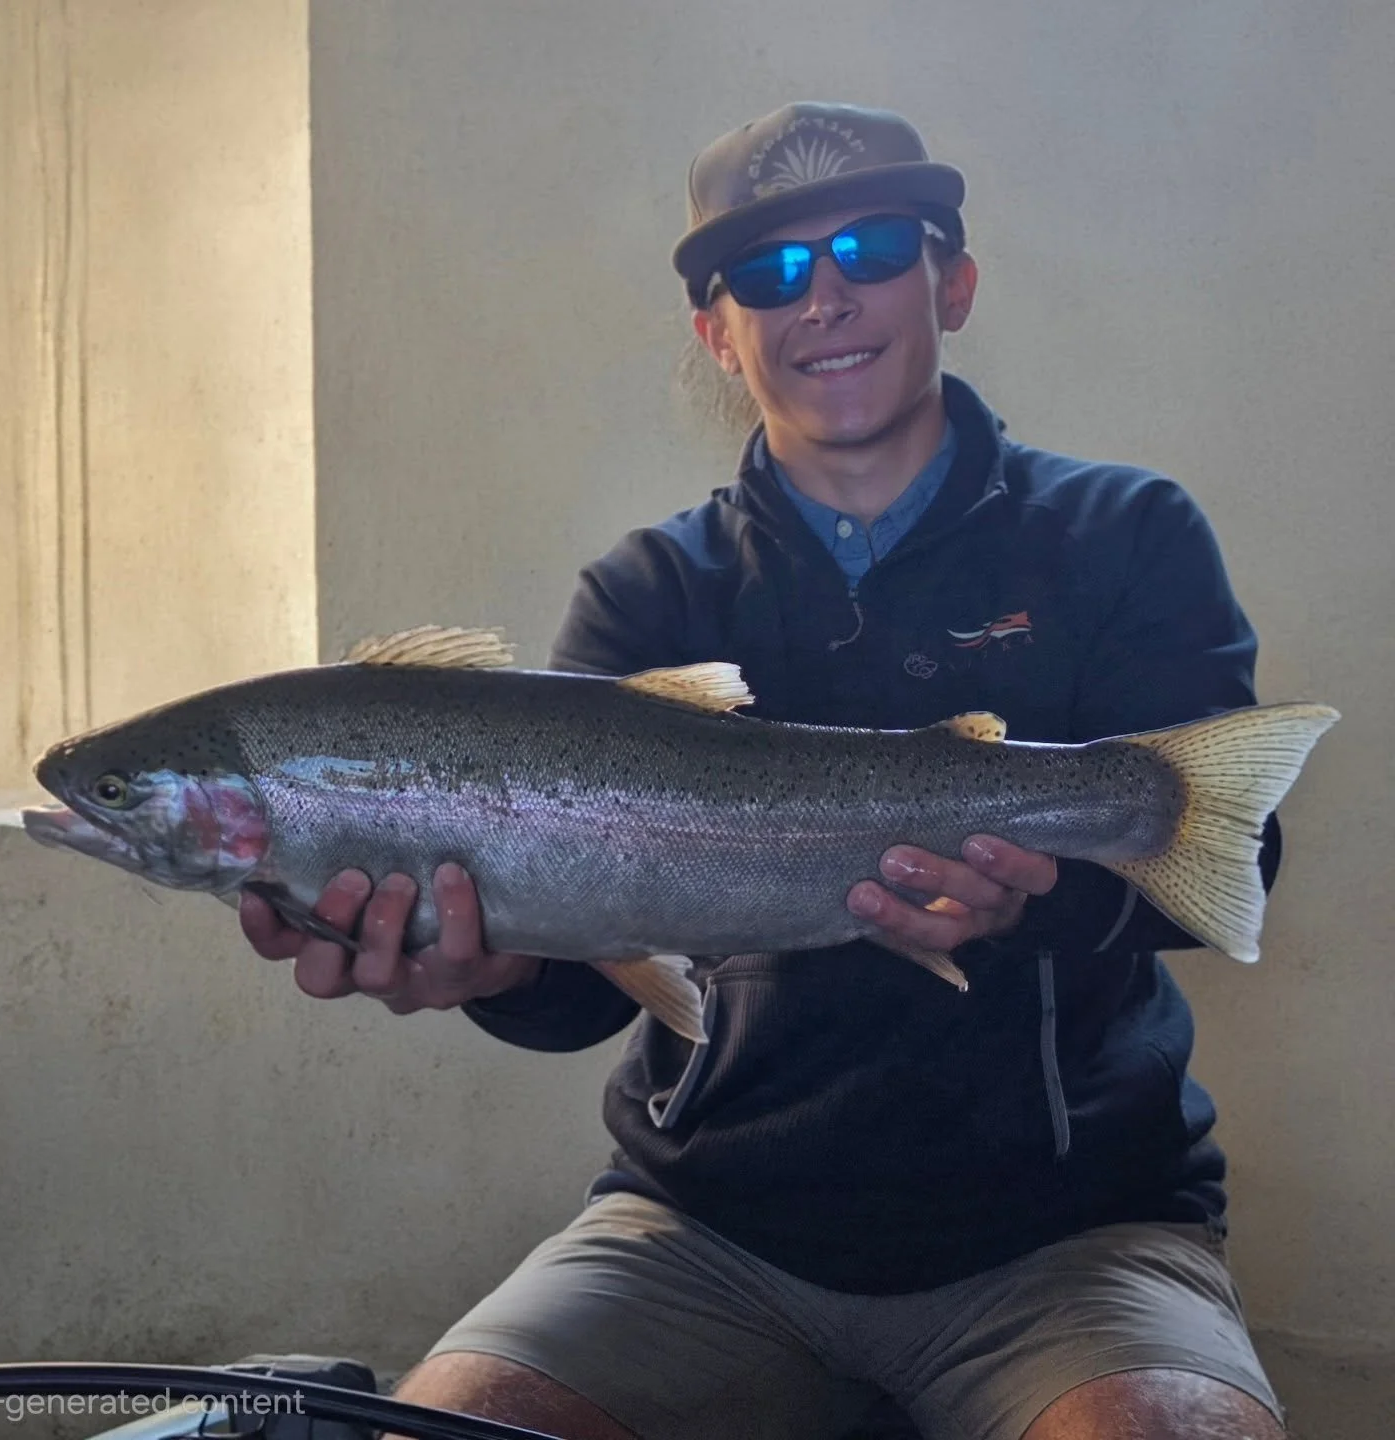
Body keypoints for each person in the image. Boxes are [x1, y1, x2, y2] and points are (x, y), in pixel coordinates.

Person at [241, 103, 1289, 1440]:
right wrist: (487, 967)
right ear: (717, 330)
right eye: (772, 272)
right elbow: (584, 997)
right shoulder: (649, 590)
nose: (827, 296)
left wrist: (1037, 905)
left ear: (949, 283)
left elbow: (1231, 863)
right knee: (437, 1429)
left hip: (1073, 1239)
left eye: (872, 247)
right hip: (702, 1231)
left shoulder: (1123, 533)